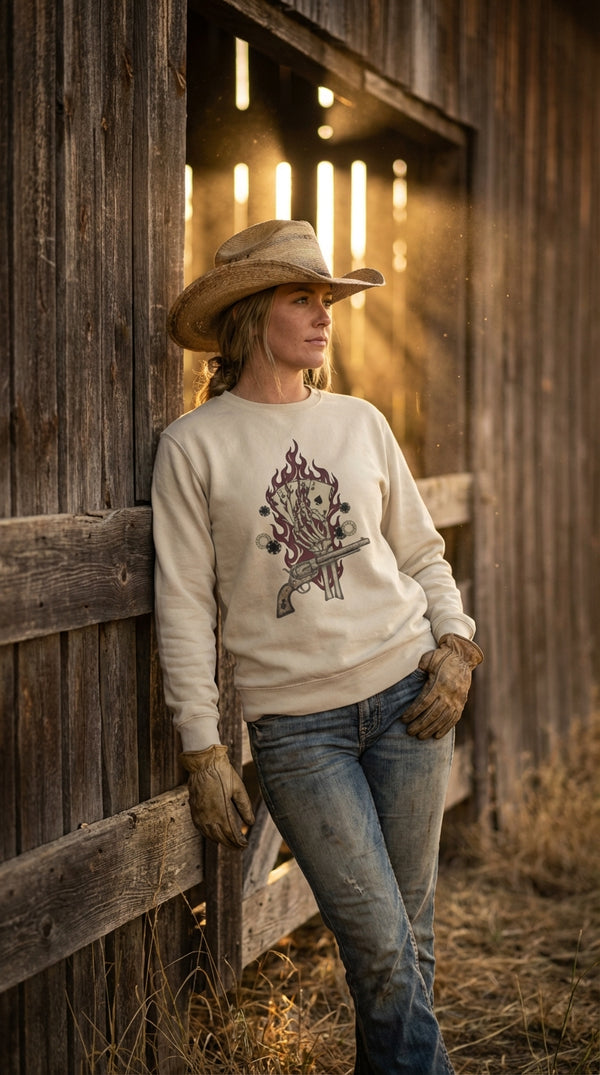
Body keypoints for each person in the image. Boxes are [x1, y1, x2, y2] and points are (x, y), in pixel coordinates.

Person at [152, 218, 482, 1074]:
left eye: (327, 299)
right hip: (301, 733)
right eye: (303, 297)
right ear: (251, 312)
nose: (324, 314)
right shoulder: (193, 446)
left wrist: (456, 645)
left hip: (410, 698)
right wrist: (203, 748)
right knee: (381, 945)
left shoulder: (361, 423)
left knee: (407, 941)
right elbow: (182, 604)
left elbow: (422, 555)